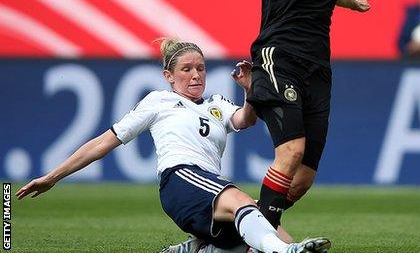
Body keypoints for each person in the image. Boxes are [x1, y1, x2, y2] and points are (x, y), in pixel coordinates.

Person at [16, 38, 331, 253]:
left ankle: (200, 248)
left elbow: (246, 120)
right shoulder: (159, 101)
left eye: (201, 68)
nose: (196, 75)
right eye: (187, 69)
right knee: (241, 201)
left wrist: (250, 90)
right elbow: (104, 141)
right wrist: (53, 177)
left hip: (207, 189)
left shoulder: (216, 104)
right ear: (168, 75)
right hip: (181, 180)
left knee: (267, 226)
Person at [197, 0, 370, 230]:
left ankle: (232, 229)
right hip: (277, 60)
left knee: (303, 178)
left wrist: (351, 3)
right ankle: (262, 241)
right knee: (291, 152)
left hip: (318, 71)